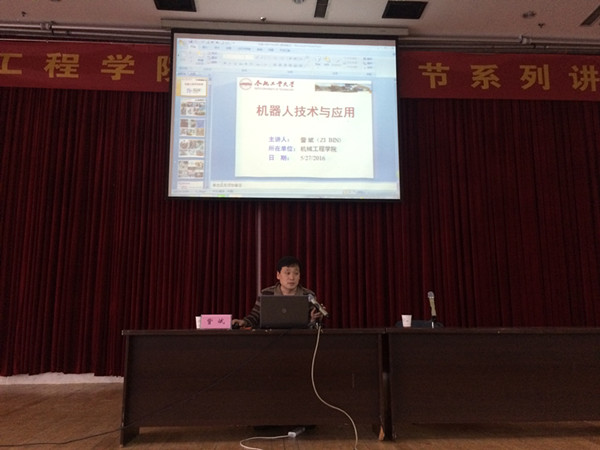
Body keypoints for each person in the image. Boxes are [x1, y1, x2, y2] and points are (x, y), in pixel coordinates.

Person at [232, 256, 325, 329]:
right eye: (287, 273)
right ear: (278, 275)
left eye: (296, 273)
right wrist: (243, 322)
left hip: (299, 339)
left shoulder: (308, 295)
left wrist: (314, 319)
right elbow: (255, 316)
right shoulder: (266, 293)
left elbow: (312, 327)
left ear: (299, 276)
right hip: (270, 338)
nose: (292, 278)